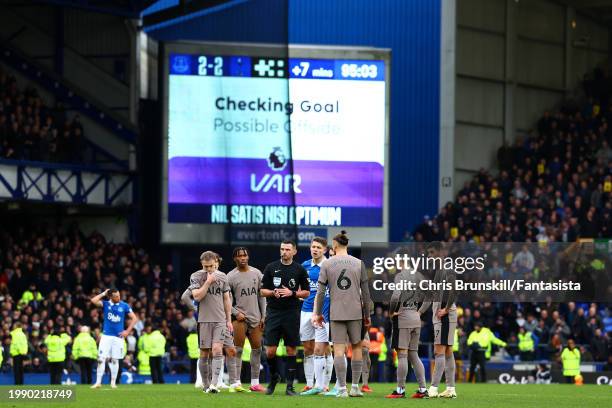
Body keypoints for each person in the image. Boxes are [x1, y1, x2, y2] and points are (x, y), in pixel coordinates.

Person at [312, 231, 371, 398]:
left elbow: (321, 292)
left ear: (335, 245)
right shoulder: (359, 263)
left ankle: (342, 389)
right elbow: (366, 294)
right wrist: (367, 315)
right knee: (357, 347)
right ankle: (355, 387)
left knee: (338, 350)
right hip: (356, 312)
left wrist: (317, 313)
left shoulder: (327, 264)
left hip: (336, 312)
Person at [260, 240, 310, 396]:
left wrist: (292, 293)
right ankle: (274, 376)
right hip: (274, 312)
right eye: (282, 249)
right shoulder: (271, 267)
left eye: (287, 249)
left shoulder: (299, 269)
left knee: (291, 349)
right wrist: (272, 292)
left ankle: (289, 386)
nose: (284, 252)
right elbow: (262, 291)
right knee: (270, 351)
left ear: (294, 251)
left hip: (291, 312)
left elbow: (307, 292)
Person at [189, 251, 241, 393]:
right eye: (206, 267)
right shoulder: (196, 276)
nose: (210, 269)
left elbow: (226, 299)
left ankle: (214, 384)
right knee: (204, 354)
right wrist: (207, 282)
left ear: (216, 263)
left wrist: (229, 320)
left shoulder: (222, 276)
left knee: (217, 349)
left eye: (212, 266)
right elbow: (197, 297)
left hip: (220, 320)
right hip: (204, 320)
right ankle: (205, 385)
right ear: (202, 264)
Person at [420, 242, 458, 398]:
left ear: (441, 252)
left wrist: (447, 309)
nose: (429, 256)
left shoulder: (447, 269)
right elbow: (430, 296)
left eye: (431, 252)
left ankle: (434, 388)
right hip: (441, 315)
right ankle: (450, 388)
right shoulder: (438, 272)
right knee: (448, 352)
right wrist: (420, 312)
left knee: (439, 351)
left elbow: (454, 289)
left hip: (445, 315)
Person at [227, 247, 266, 392]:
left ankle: (255, 383)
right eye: (240, 256)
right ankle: (236, 382)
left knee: (257, 349)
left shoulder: (256, 273)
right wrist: (235, 313)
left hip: (255, 318)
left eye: (245, 255)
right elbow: (225, 301)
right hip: (239, 319)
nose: (243, 258)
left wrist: (264, 315)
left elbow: (261, 296)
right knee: (237, 350)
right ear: (235, 259)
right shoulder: (230, 276)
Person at [386, 265, 428, 398]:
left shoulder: (401, 276)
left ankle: (400, 390)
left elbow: (395, 296)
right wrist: (420, 312)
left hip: (403, 317)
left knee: (402, 355)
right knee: (414, 355)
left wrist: (391, 312)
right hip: (415, 318)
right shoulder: (419, 276)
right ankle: (422, 389)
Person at [299, 237, 333, 396]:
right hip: (306, 310)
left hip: (323, 312)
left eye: (319, 247)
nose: (315, 249)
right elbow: (301, 287)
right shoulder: (305, 265)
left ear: (325, 250)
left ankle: (325, 384)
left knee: (325, 349)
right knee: (307, 347)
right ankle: (309, 383)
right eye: (313, 246)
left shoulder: (330, 266)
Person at [90, 288, 139, 389]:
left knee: (115, 360)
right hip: (106, 336)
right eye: (116, 296)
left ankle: (113, 382)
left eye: (119, 295)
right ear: (110, 297)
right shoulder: (106, 304)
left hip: (118, 337)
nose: (119, 297)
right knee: (101, 359)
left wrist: (127, 331)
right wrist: (103, 293)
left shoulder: (124, 305)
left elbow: (134, 318)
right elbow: (93, 300)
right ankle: (98, 382)